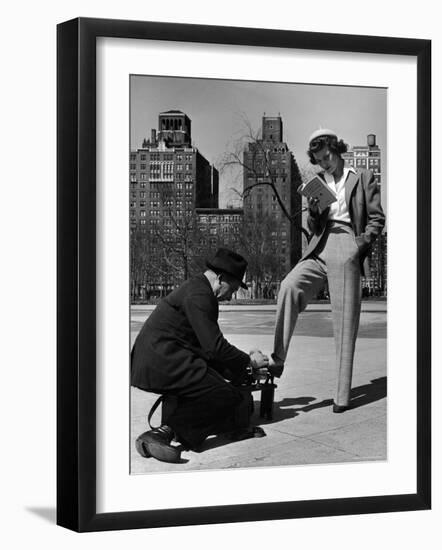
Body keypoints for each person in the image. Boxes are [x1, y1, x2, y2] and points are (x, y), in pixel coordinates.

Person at [269, 128, 385, 412]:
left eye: (327, 157)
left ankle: (341, 397)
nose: (325, 164)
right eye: (319, 161)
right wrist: (315, 211)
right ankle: (278, 359)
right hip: (319, 245)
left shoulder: (362, 177)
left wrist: (360, 244)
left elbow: (377, 218)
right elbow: (313, 228)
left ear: (336, 149)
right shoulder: (317, 182)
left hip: (348, 243)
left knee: (345, 322)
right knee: (289, 286)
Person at [131, 247, 269, 463]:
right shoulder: (200, 295)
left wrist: (239, 371)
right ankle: (162, 434)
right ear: (221, 279)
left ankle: (173, 431)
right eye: (232, 290)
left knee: (220, 387)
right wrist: (249, 361)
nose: (231, 297)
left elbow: (206, 349)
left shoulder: (197, 288)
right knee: (224, 395)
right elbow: (215, 348)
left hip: (161, 358)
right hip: (161, 361)